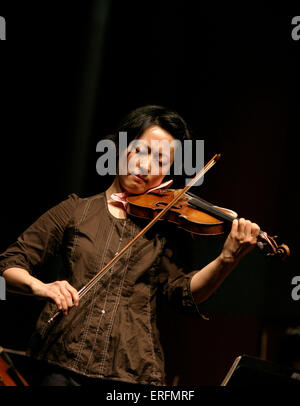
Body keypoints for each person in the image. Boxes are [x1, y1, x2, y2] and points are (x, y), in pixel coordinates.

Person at [0, 104, 260, 387]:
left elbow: (184, 294)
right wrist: (42, 287)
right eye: (142, 151)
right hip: (60, 363)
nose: (146, 166)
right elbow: (9, 264)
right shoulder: (76, 211)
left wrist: (226, 259)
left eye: (161, 161)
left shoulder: (168, 228)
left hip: (131, 373)